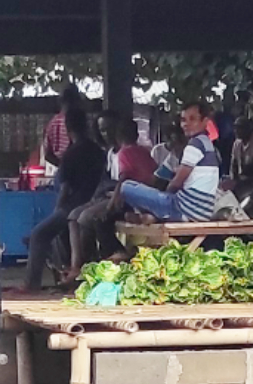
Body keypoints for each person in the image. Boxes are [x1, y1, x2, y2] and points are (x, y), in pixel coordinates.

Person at [26, 97, 109, 292]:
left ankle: (31, 285)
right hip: (91, 201)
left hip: (72, 204)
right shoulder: (96, 150)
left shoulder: (73, 153)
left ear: (68, 126)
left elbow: (65, 186)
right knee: (56, 236)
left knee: (38, 235)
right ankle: (65, 274)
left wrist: (58, 208)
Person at [118, 104, 220, 222]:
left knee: (126, 187)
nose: (186, 124)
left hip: (184, 210)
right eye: (183, 120)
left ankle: (155, 215)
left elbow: (176, 183)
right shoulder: (207, 144)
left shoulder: (195, 144)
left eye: (192, 119)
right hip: (202, 212)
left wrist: (165, 195)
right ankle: (152, 216)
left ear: (205, 121)